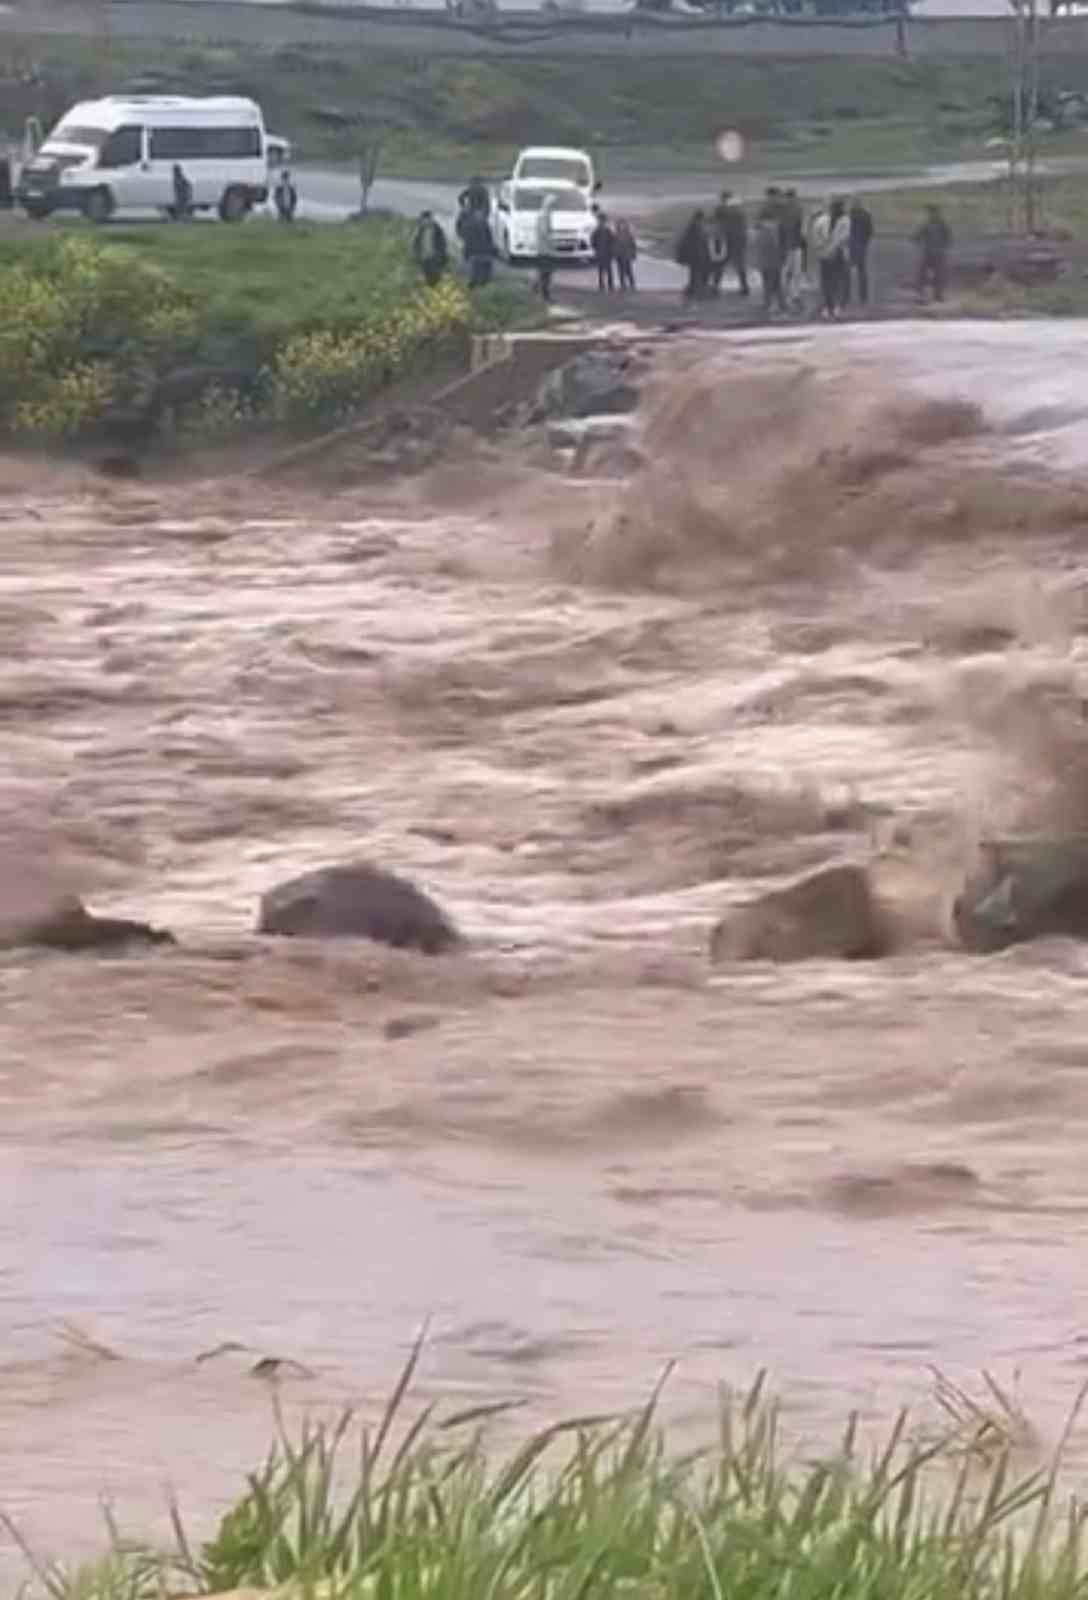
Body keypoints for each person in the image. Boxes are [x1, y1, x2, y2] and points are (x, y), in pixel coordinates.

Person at [810, 196, 850, 319]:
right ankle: (828, 306)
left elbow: (843, 237)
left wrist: (832, 249)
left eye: (839, 207)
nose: (837, 210)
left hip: (839, 255)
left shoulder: (845, 220)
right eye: (834, 207)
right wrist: (821, 247)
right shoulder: (822, 220)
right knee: (827, 283)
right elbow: (815, 235)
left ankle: (838, 306)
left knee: (839, 282)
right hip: (825, 255)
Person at [712, 190, 748, 297]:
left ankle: (715, 287)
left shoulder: (721, 210)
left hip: (727, 240)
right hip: (738, 240)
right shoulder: (738, 210)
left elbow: (717, 224)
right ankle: (744, 287)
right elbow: (743, 227)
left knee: (720, 265)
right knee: (739, 265)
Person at [755, 201, 786, 315]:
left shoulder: (765, 230)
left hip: (767, 261)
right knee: (777, 284)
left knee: (768, 284)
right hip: (775, 261)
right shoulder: (776, 229)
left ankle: (768, 304)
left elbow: (762, 247)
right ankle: (781, 304)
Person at [915, 204, 951, 303]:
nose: (931, 214)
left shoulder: (939, 224)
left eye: (932, 212)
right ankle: (925, 295)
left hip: (935, 253)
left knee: (937, 275)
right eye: (930, 212)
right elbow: (918, 235)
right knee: (925, 274)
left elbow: (948, 237)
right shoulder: (930, 224)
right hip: (931, 252)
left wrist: (944, 247)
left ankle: (936, 295)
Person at [676, 209, 710, 301]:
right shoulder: (697, 227)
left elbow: (687, 241)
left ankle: (692, 288)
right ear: (701, 218)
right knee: (697, 272)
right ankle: (695, 289)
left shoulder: (692, 226)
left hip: (694, 254)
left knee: (694, 272)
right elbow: (700, 241)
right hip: (697, 254)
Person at [780, 188, 805, 309]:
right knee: (792, 272)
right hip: (792, 246)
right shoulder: (796, 209)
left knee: (791, 272)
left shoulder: (787, 210)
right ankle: (792, 294)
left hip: (791, 246)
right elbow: (801, 229)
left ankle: (791, 294)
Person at [412, 208, 449, 287]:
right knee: (426, 277)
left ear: (430, 218)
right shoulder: (420, 230)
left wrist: (442, 257)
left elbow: (443, 244)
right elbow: (415, 244)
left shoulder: (437, 229)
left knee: (434, 277)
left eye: (427, 219)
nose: (425, 221)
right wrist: (417, 256)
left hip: (434, 258)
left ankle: (435, 288)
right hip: (424, 258)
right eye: (424, 219)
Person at [848, 197, 874, 306]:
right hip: (861, 246)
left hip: (850, 245)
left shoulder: (848, 216)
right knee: (862, 272)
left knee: (846, 272)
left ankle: (845, 296)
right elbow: (870, 232)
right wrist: (865, 242)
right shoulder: (866, 215)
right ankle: (863, 297)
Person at [461, 207, 495, 288]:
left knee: (476, 270)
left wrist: (466, 253)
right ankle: (480, 283)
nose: (481, 216)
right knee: (482, 269)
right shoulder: (484, 224)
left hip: (478, 252)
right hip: (482, 252)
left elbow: (468, 241)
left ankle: (475, 283)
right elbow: (489, 239)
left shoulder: (469, 225)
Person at [536, 193, 557, 303]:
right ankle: (544, 295)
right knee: (546, 274)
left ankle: (540, 293)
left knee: (543, 273)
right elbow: (545, 232)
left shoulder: (543, 214)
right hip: (545, 250)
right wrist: (552, 243)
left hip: (543, 249)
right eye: (553, 205)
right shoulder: (544, 215)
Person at [591, 209, 616, 291]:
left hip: (607, 253)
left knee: (608, 270)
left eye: (602, 220)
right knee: (602, 270)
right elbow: (593, 241)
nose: (601, 222)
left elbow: (613, 241)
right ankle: (602, 286)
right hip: (601, 253)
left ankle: (610, 285)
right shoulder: (597, 231)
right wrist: (596, 250)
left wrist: (611, 251)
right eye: (600, 220)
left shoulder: (608, 230)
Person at [613, 217, 637, 290]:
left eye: (623, 224)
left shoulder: (629, 234)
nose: (622, 226)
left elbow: (633, 245)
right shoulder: (615, 235)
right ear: (618, 225)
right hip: (619, 256)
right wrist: (614, 254)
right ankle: (623, 285)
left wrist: (633, 255)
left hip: (627, 256)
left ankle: (632, 285)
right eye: (620, 224)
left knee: (629, 271)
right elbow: (613, 245)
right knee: (620, 271)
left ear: (626, 225)